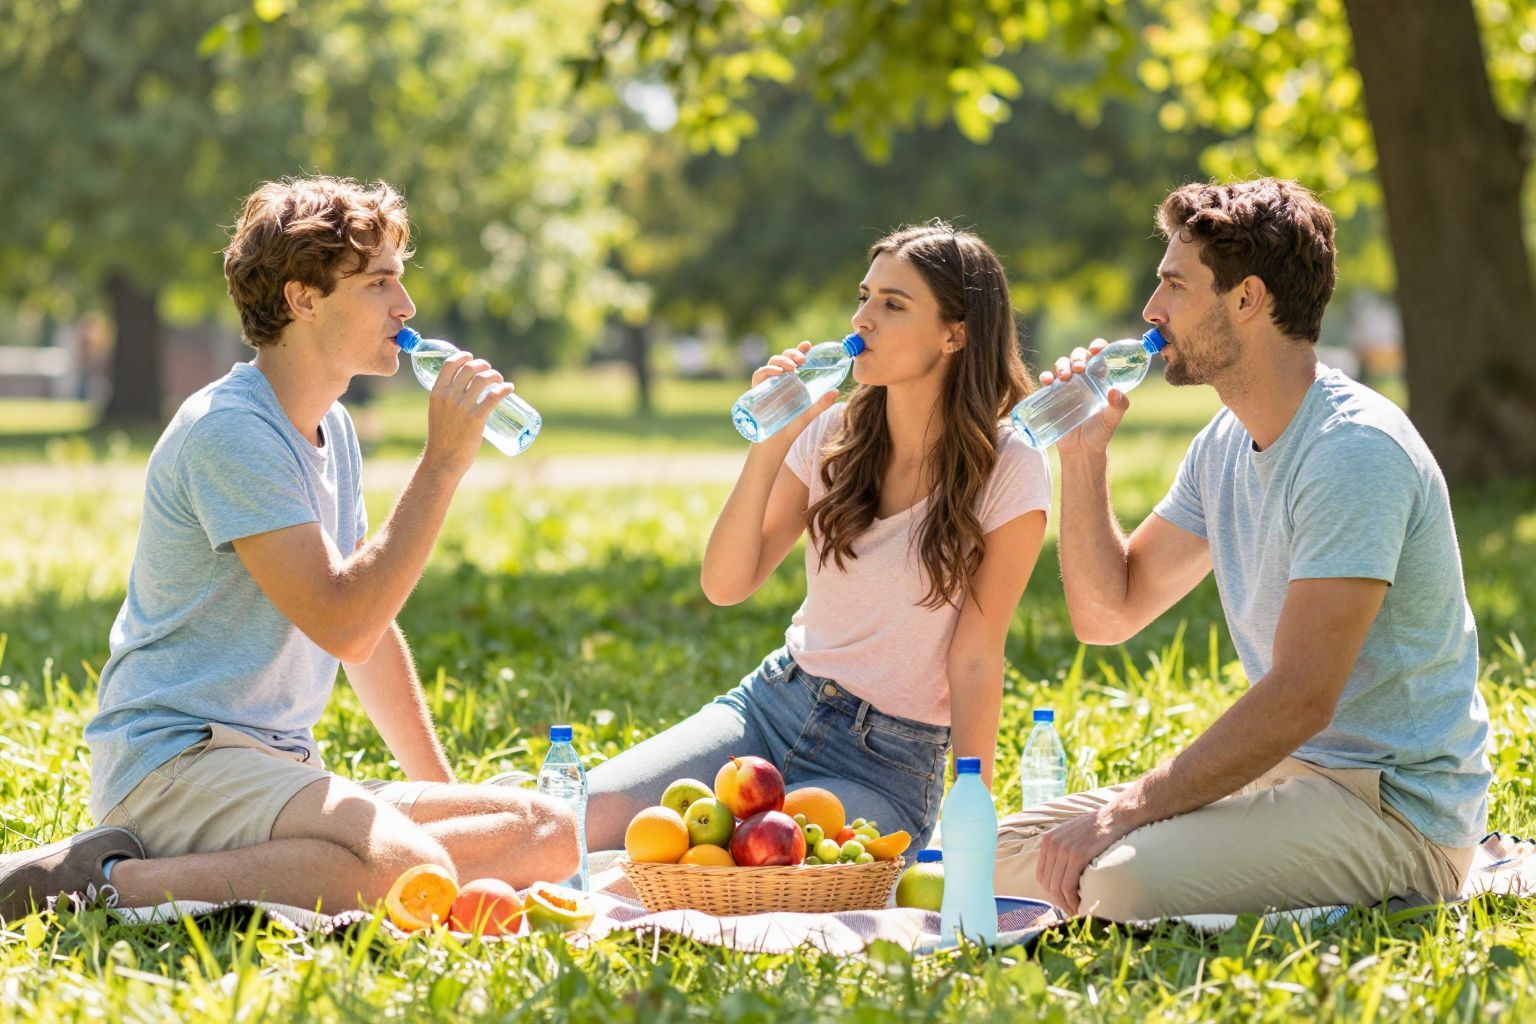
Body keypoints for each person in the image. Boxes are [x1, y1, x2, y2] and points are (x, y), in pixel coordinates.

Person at [0, 175, 576, 921]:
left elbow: (369, 632)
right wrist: (443, 464)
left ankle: (258, 869)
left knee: (544, 831)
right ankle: (92, 879)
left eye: (398, 281)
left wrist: (435, 787)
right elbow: (343, 622)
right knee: (409, 868)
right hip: (179, 763)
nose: (405, 308)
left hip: (275, 767)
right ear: (303, 298)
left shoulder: (330, 428)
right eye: (378, 284)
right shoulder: (230, 432)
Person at [994, 178, 1492, 920]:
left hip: (1395, 811)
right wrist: (1084, 456)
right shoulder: (1224, 443)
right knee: (987, 851)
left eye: (1172, 285)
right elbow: (1109, 615)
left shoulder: (1351, 451)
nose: (1149, 311)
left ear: (1247, 299)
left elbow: (1301, 695)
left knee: (1113, 882)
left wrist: (1128, 808)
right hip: (1286, 778)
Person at [583, 222, 1052, 851]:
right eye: (864, 296)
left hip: (886, 764)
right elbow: (725, 584)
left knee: (771, 870)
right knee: (590, 817)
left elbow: (975, 655)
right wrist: (769, 442)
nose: (864, 318)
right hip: (774, 707)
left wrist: (973, 817)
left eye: (893, 304)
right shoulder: (832, 433)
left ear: (956, 332)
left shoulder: (1010, 466)